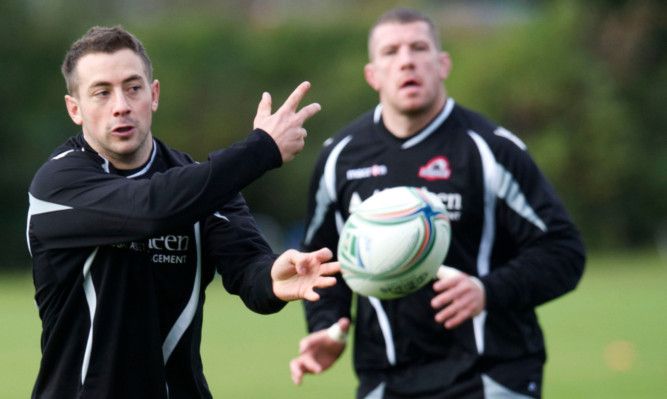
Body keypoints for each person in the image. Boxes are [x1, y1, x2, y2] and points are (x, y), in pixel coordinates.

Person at [26, 26, 340, 398]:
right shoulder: (58, 185)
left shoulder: (198, 186)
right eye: (101, 93)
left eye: (133, 87)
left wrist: (272, 276)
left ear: (153, 95)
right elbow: (149, 209)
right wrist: (262, 150)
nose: (121, 105)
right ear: (75, 109)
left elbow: (247, 267)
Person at [290, 8, 585, 399]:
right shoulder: (340, 158)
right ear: (372, 74)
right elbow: (321, 263)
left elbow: (563, 251)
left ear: (442, 64)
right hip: (386, 380)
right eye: (391, 51)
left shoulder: (490, 150)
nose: (406, 60)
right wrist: (328, 327)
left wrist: (487, 290)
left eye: (419, 47)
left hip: (492, 376)